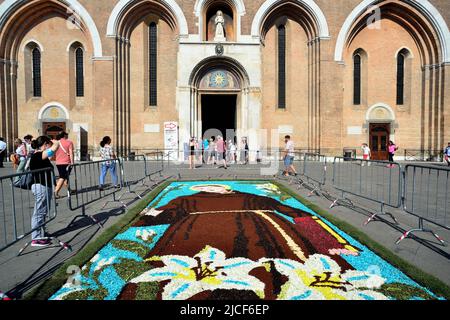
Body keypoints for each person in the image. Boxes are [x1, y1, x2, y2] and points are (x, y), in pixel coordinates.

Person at [29, 136, 60, 246]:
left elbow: (50, 155)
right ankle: (36, 238)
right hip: (41, 186)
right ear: (46, 144)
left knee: (42, 211)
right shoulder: (38, 155)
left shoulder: (40, 156)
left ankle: (40, 232)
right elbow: (54, 149)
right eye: (49, 145)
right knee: (39, 211)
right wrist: (55, 142)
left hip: (43, 186)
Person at [54, 131, 74, 199]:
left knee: (65, 177)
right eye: (67, 135)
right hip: (66, 162)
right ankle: (56, 192)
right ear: (65, 135)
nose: (67, 136)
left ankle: (69, 190)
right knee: (62, 177)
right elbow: (71, 153)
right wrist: (72, 162)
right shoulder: (69, 142)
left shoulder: (57, 142)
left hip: (58, 162)